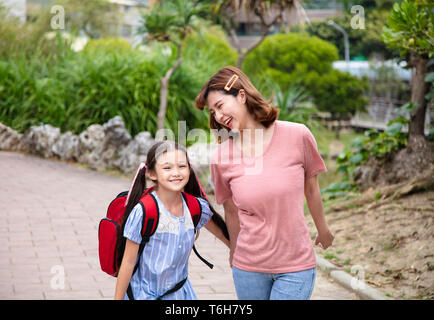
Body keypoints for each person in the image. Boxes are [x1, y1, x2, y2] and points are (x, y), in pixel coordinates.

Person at [195, 66, 334, 300]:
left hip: (295, 265)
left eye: (220, 106)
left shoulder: (297, 135)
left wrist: (323, 230)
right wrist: (235, 252)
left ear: (241, 95)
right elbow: (231, 210)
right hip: (248, 267)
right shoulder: (221, 157)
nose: (217, 117)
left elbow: (311, 189)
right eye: (212, 112)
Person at [114, 140, 230, 300]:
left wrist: (238, 255)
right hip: (144, 294)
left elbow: (224, 235)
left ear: (190, 169)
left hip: (180, 293)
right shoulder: (144, 211)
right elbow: (128, 262)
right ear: (152, 173)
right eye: (167, 168)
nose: (176, 172)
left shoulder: (195, 207)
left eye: (182, 166)